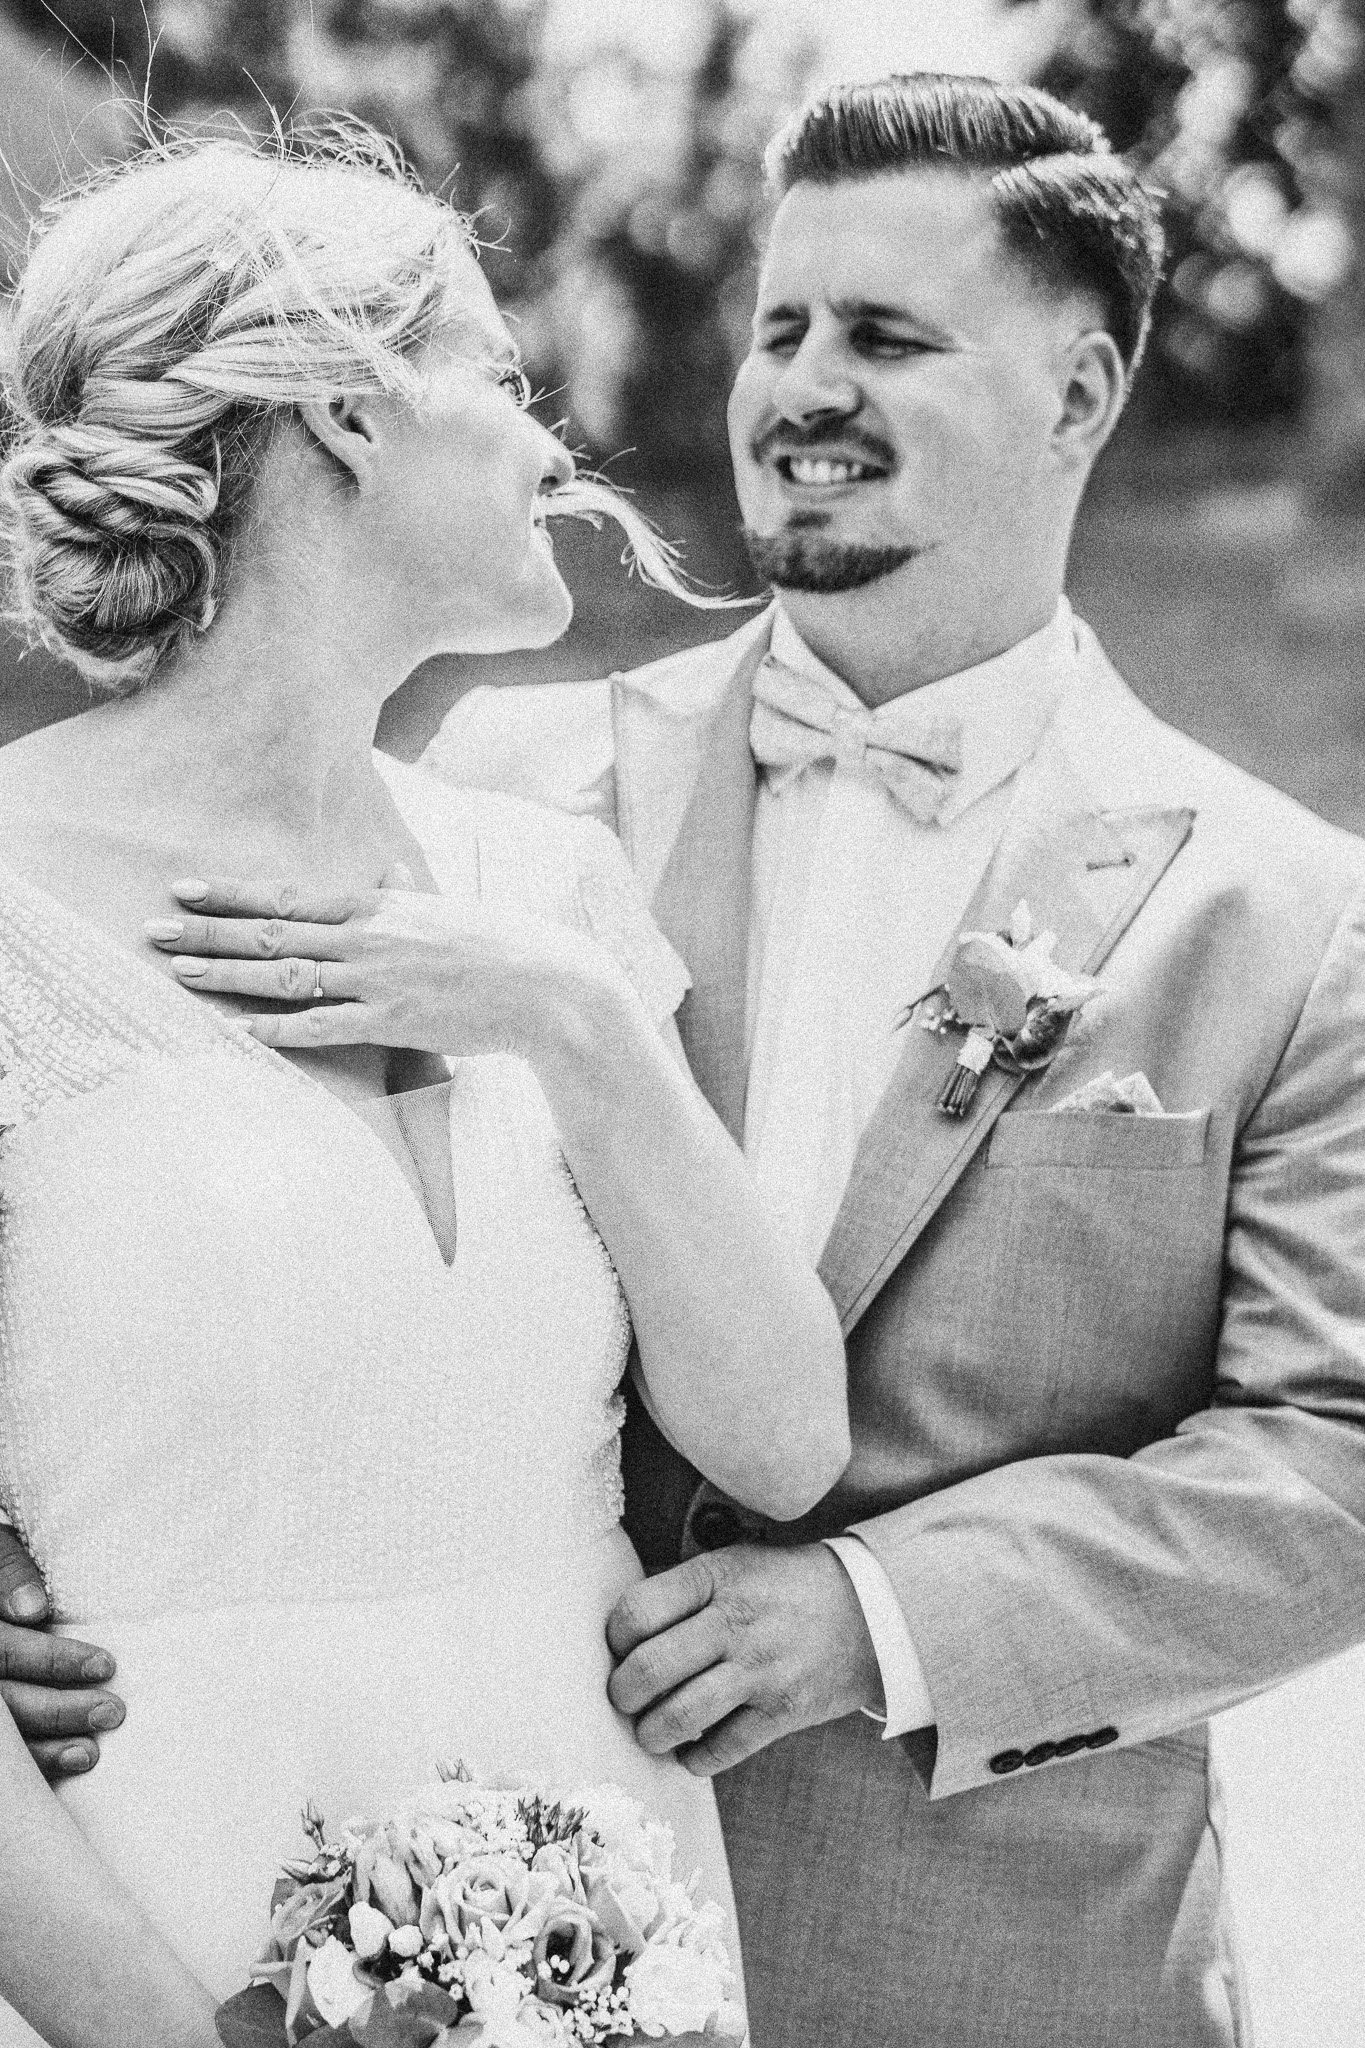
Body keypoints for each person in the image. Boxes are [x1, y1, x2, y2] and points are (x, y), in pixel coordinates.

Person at [401, 74, 1365, 2048]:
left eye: (888, 336)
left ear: (1080, 396)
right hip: (487, 1921)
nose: (802, 388)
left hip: (1009, 1973)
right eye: (782, 328)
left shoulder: (1288, 916)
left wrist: (876, 1616)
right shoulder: (498, 789)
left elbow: (1330, 1464)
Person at [0, 128, 851, 2047]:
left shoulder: (547, 891)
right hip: (157, 1935)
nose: (552, 445)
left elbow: (786, 1442)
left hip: (604, 1935)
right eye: (499, 374)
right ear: (345, 414)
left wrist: (575, 1020)